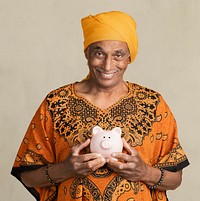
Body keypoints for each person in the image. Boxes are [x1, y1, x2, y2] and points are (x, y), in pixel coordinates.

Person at [11, 11, 189, 201]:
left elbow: (175, 179)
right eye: (99, 53)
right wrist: (65, 169)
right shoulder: (56, 102)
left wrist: (144, 172)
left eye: (118, 55)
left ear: (130, 57)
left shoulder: (153, 104)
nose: (107, 64)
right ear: (86, 53)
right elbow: (28, 176)